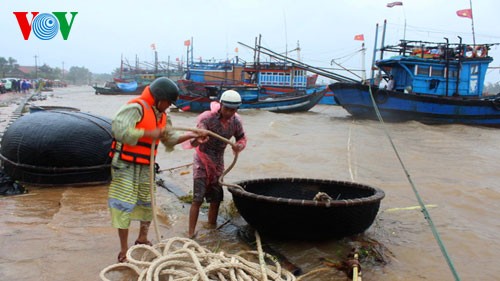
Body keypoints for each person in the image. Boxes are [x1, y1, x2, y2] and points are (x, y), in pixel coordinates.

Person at [108, 77, 207, 263]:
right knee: (123, 204)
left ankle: (143, 238)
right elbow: (119, 131)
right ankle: (123, 250)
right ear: (159, 98)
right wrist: (149, 133)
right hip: (125, 165)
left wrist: (193, 136)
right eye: (168, 102)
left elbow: (169, 139)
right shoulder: (135, 108)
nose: (169, 106)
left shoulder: (162, 116)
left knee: (147, 202)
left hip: (146, 164)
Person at [188, 90, 247, 238]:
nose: (229, 113)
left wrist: (238, 145)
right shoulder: (207, 119)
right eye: (226, 109)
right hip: (202, 160)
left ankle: (211, 229)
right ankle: (190, 234)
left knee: (216, 198)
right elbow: (192, 141)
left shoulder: (236, 122)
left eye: (233, 110)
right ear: (220, 105)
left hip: (218, 162)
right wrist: (200, 137)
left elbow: (241, 138)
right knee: (198, 198)